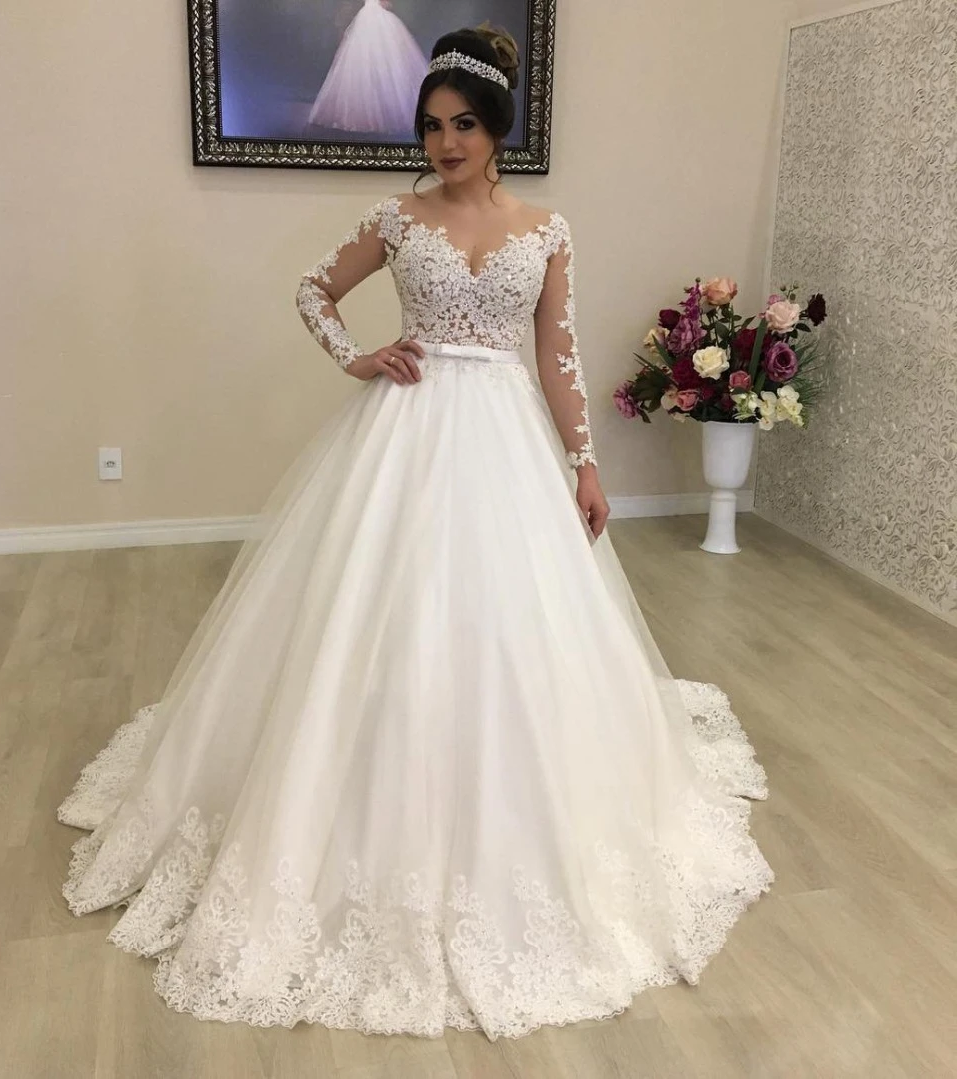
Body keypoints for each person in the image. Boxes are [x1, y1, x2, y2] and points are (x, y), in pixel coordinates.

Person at [57, 25, 775, 1042]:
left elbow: (557, 355)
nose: (445, 144)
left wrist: (583, 462)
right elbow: (311, 290)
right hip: (404, 432)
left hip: (505, 443)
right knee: (369, 614)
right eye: (432, 126)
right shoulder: (396, 218)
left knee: (508, 628)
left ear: (497, 130)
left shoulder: (547, 230)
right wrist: (357, 355)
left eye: (464, 125)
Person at [307, 0, 428, 135]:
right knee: (373, 59)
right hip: (373, 17)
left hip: (370, 16)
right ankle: (378, 114)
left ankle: (378, 113)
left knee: (376, 59)